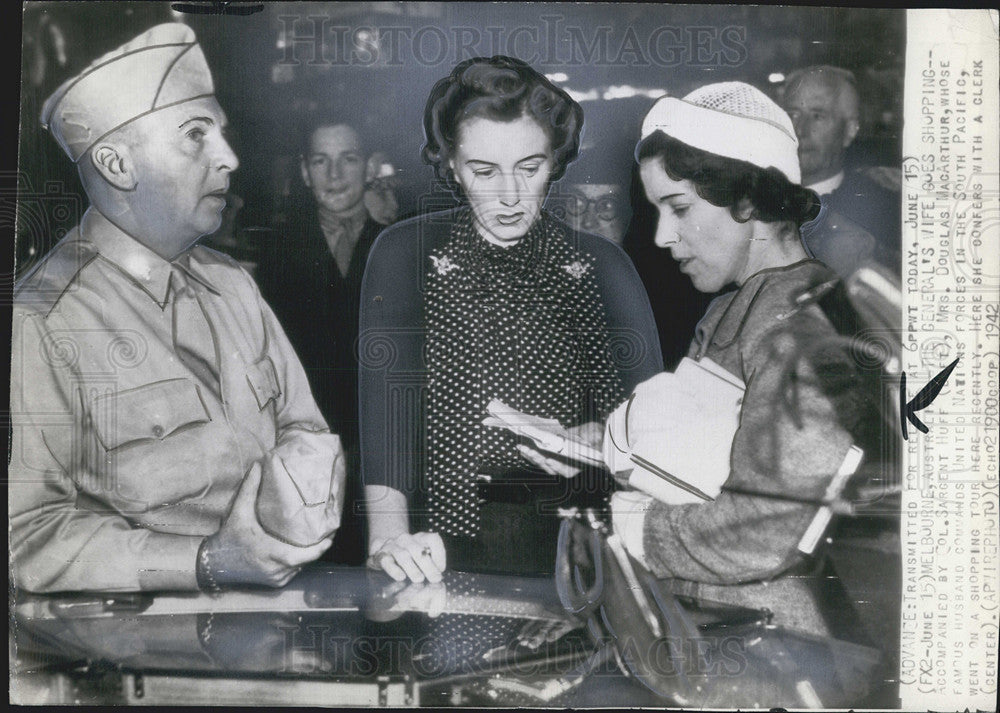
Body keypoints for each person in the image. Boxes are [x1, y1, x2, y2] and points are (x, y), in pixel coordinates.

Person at [10, 23, 343, 593]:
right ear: (117, 165)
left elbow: (304, 428)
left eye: (222, 134)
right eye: (196, 136)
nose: (230, 158)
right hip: (130, 655)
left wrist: (292, 518)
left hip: (268, 622)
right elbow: (28, 536)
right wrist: (206, 561)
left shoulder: (232, 285)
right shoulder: (40, 320)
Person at [596, 82, 885, 638]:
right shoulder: (734, 302)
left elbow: (764, 528)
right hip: (709, 620)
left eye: (678, 208)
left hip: (776, 641)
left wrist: (631, 526)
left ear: (748, 199)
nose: (661, 235)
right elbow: (703, 455)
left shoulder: (808, 325)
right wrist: (594, 443)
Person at [359, 56, 662, 583]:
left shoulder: (604, 265)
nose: (509, 196)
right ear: (451, 164)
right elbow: (388, 415)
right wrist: (387, 541)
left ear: (556, 161)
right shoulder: (404, 251)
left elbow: (660, 439)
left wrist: (600, 441)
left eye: (530, 167)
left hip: (586, 556)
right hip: (437, 553)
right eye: (484, 171)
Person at [257, 119, 395, 565]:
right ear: (304, 171)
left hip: (387, 450)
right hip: (306, 452)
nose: (334, 175)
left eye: (348, 159)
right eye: (321, 161)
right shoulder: (277, 249)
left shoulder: (401, 238)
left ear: (370, 166)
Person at [781, 65, 901, 278]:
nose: (800, 130)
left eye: (817, 116)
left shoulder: (884, 212)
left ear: (849, 130)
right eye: (792, 114)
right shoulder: (751, 200)